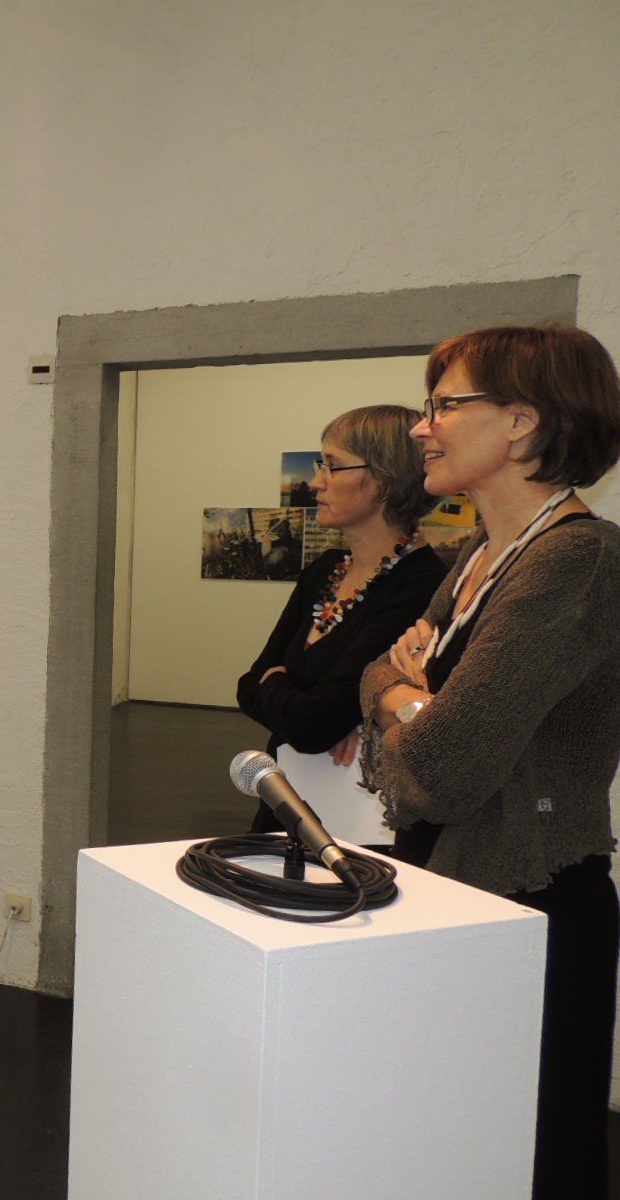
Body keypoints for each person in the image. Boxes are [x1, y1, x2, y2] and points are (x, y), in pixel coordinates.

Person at [360, 325, 620, 1199]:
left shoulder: (577, 558)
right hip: (449, 878)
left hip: (532, 898)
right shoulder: (480, 557)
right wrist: (406, 694)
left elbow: (448, 766)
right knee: (449, 1142)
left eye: (444, 406)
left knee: (528, 1156)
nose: (422, 428)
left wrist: (407, 699)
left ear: (522, 420)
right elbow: (375, 672)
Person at [237, 405, 447, 832]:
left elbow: (312, 724)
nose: (317, 482)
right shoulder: (325, 569)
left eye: (332, 466)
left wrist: (277, 684)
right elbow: (247, 686)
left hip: (363, 826)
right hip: (287, 802)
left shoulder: (421, 583)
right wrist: (334, 712)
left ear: (385, 479)